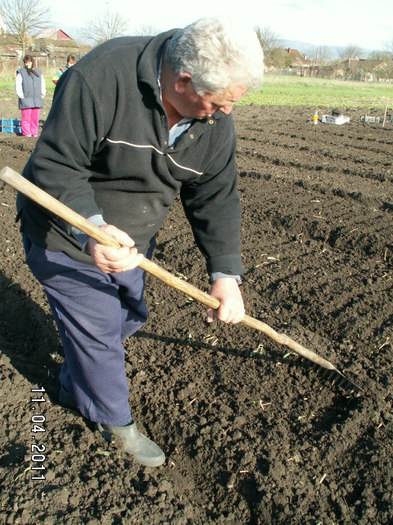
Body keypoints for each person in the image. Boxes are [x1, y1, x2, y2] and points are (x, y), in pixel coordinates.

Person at [17, 17, 264, 467]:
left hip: (133, 242)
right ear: (184, 80)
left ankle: (76, 382)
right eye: (218, 102)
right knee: (98, 333)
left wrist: (225, 274)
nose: (224, 113)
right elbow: (56, 165)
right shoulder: (100, 78)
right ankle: (115, 423)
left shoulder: (212, 124)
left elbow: (216, 197)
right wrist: (91, 229)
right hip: (66, 232)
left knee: (126, 316)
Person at [15, 55, 46, 137]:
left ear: (32, 62)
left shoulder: (38, 72)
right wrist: (21, 95)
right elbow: (18, 85)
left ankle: (34, 133)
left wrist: (43, 93)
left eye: (28, 62)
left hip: (37, 99)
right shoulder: (21, 72)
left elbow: (42, 83)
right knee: (26, 118)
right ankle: (26, 133)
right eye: (25, 62)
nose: (27, 64)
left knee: (35, 118)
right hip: (26, 99)